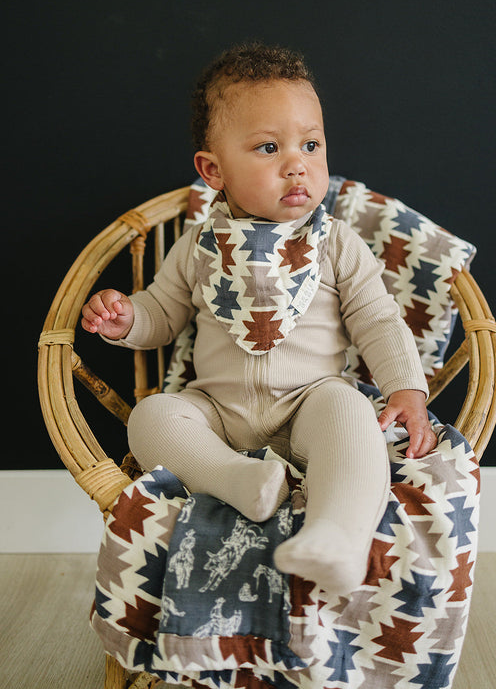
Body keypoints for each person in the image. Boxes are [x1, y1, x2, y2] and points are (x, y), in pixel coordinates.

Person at [81, 42, 436, 597]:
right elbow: (162, 314)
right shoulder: (199, 246)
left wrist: (407, 388)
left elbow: (378, 319)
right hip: (218, 413)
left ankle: (339, 535)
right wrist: (126, 318)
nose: (297, 164)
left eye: (311, 144)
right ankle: (239, 481)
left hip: (309, 404)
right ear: (213, 170)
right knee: (152, 416)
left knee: (350, 413)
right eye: (269, 147)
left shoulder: (335, 243)